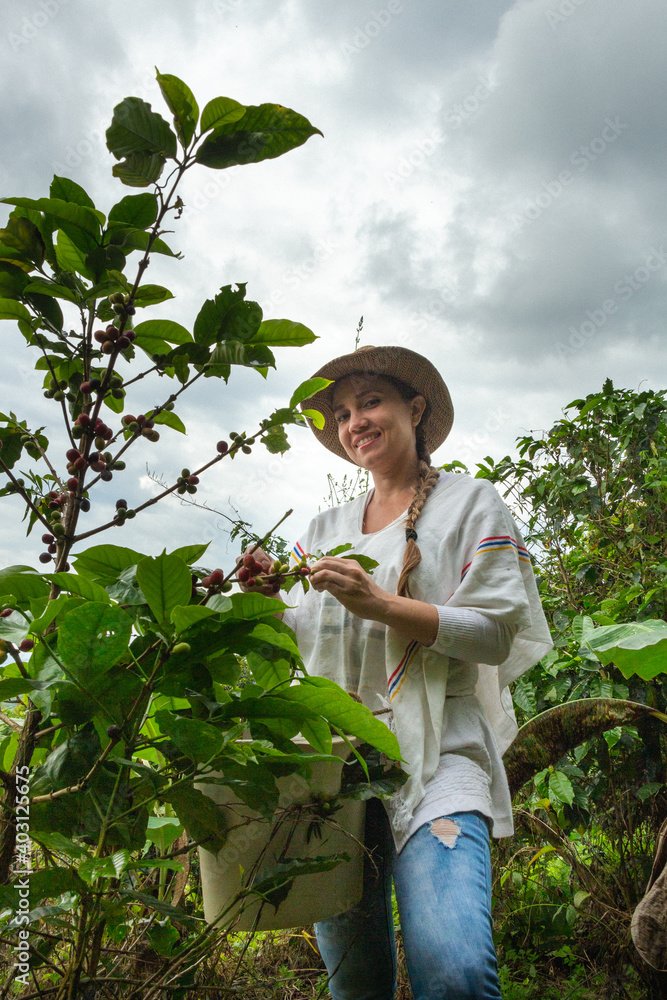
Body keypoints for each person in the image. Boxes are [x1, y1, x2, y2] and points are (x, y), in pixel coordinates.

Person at [244, 345, 552, 1000]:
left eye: (370, 401)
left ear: (415, 408)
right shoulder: (322, 529)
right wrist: (265, 608)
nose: (354, 420)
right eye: (342, 412)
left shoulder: (471, 504)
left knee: (456, 968)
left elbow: (496, 632)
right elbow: (307, 644)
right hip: (335, 770)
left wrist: (380, 602)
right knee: (354, 982)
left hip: (439, 757)